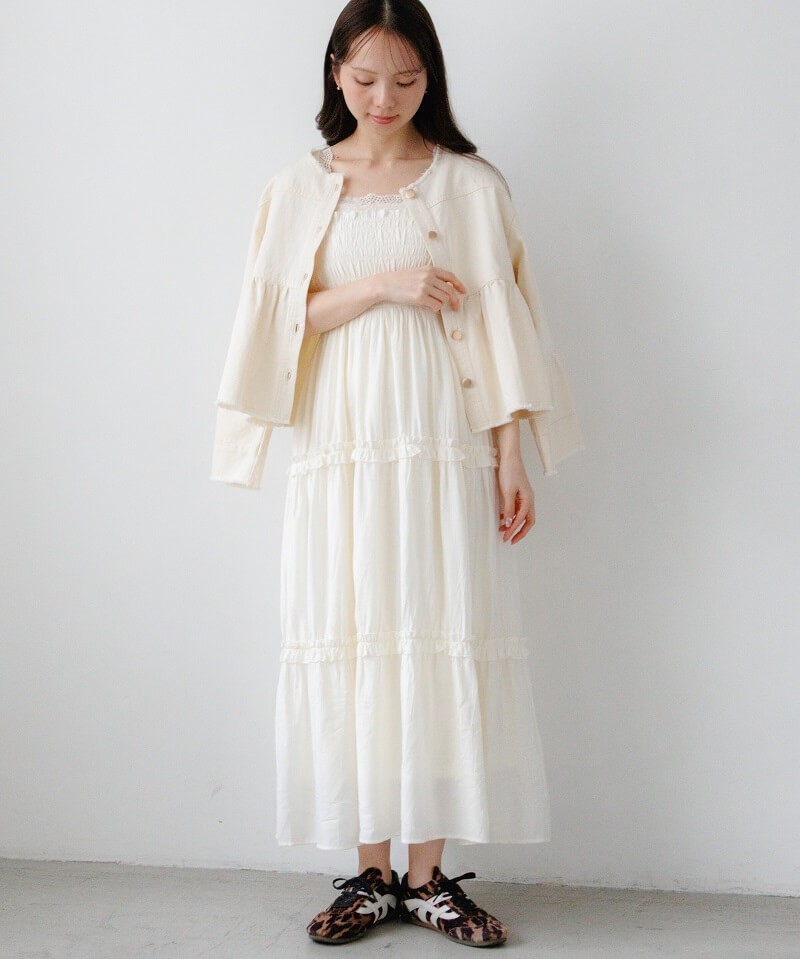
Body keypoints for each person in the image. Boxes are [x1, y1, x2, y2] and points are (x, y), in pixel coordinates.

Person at [213, 0, 584, 947]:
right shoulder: (297, 188)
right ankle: (371, 874)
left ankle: (428, 877)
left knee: (438, 627)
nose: (385, 97)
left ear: (432, 78)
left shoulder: (469, 186)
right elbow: (274, 322)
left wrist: (511, 453)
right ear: (336, 69)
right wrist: (385, 284)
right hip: (342, 447)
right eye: (368, 77)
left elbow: (503, 327)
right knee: (354, 632)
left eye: (408, 80)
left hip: (442, 442)